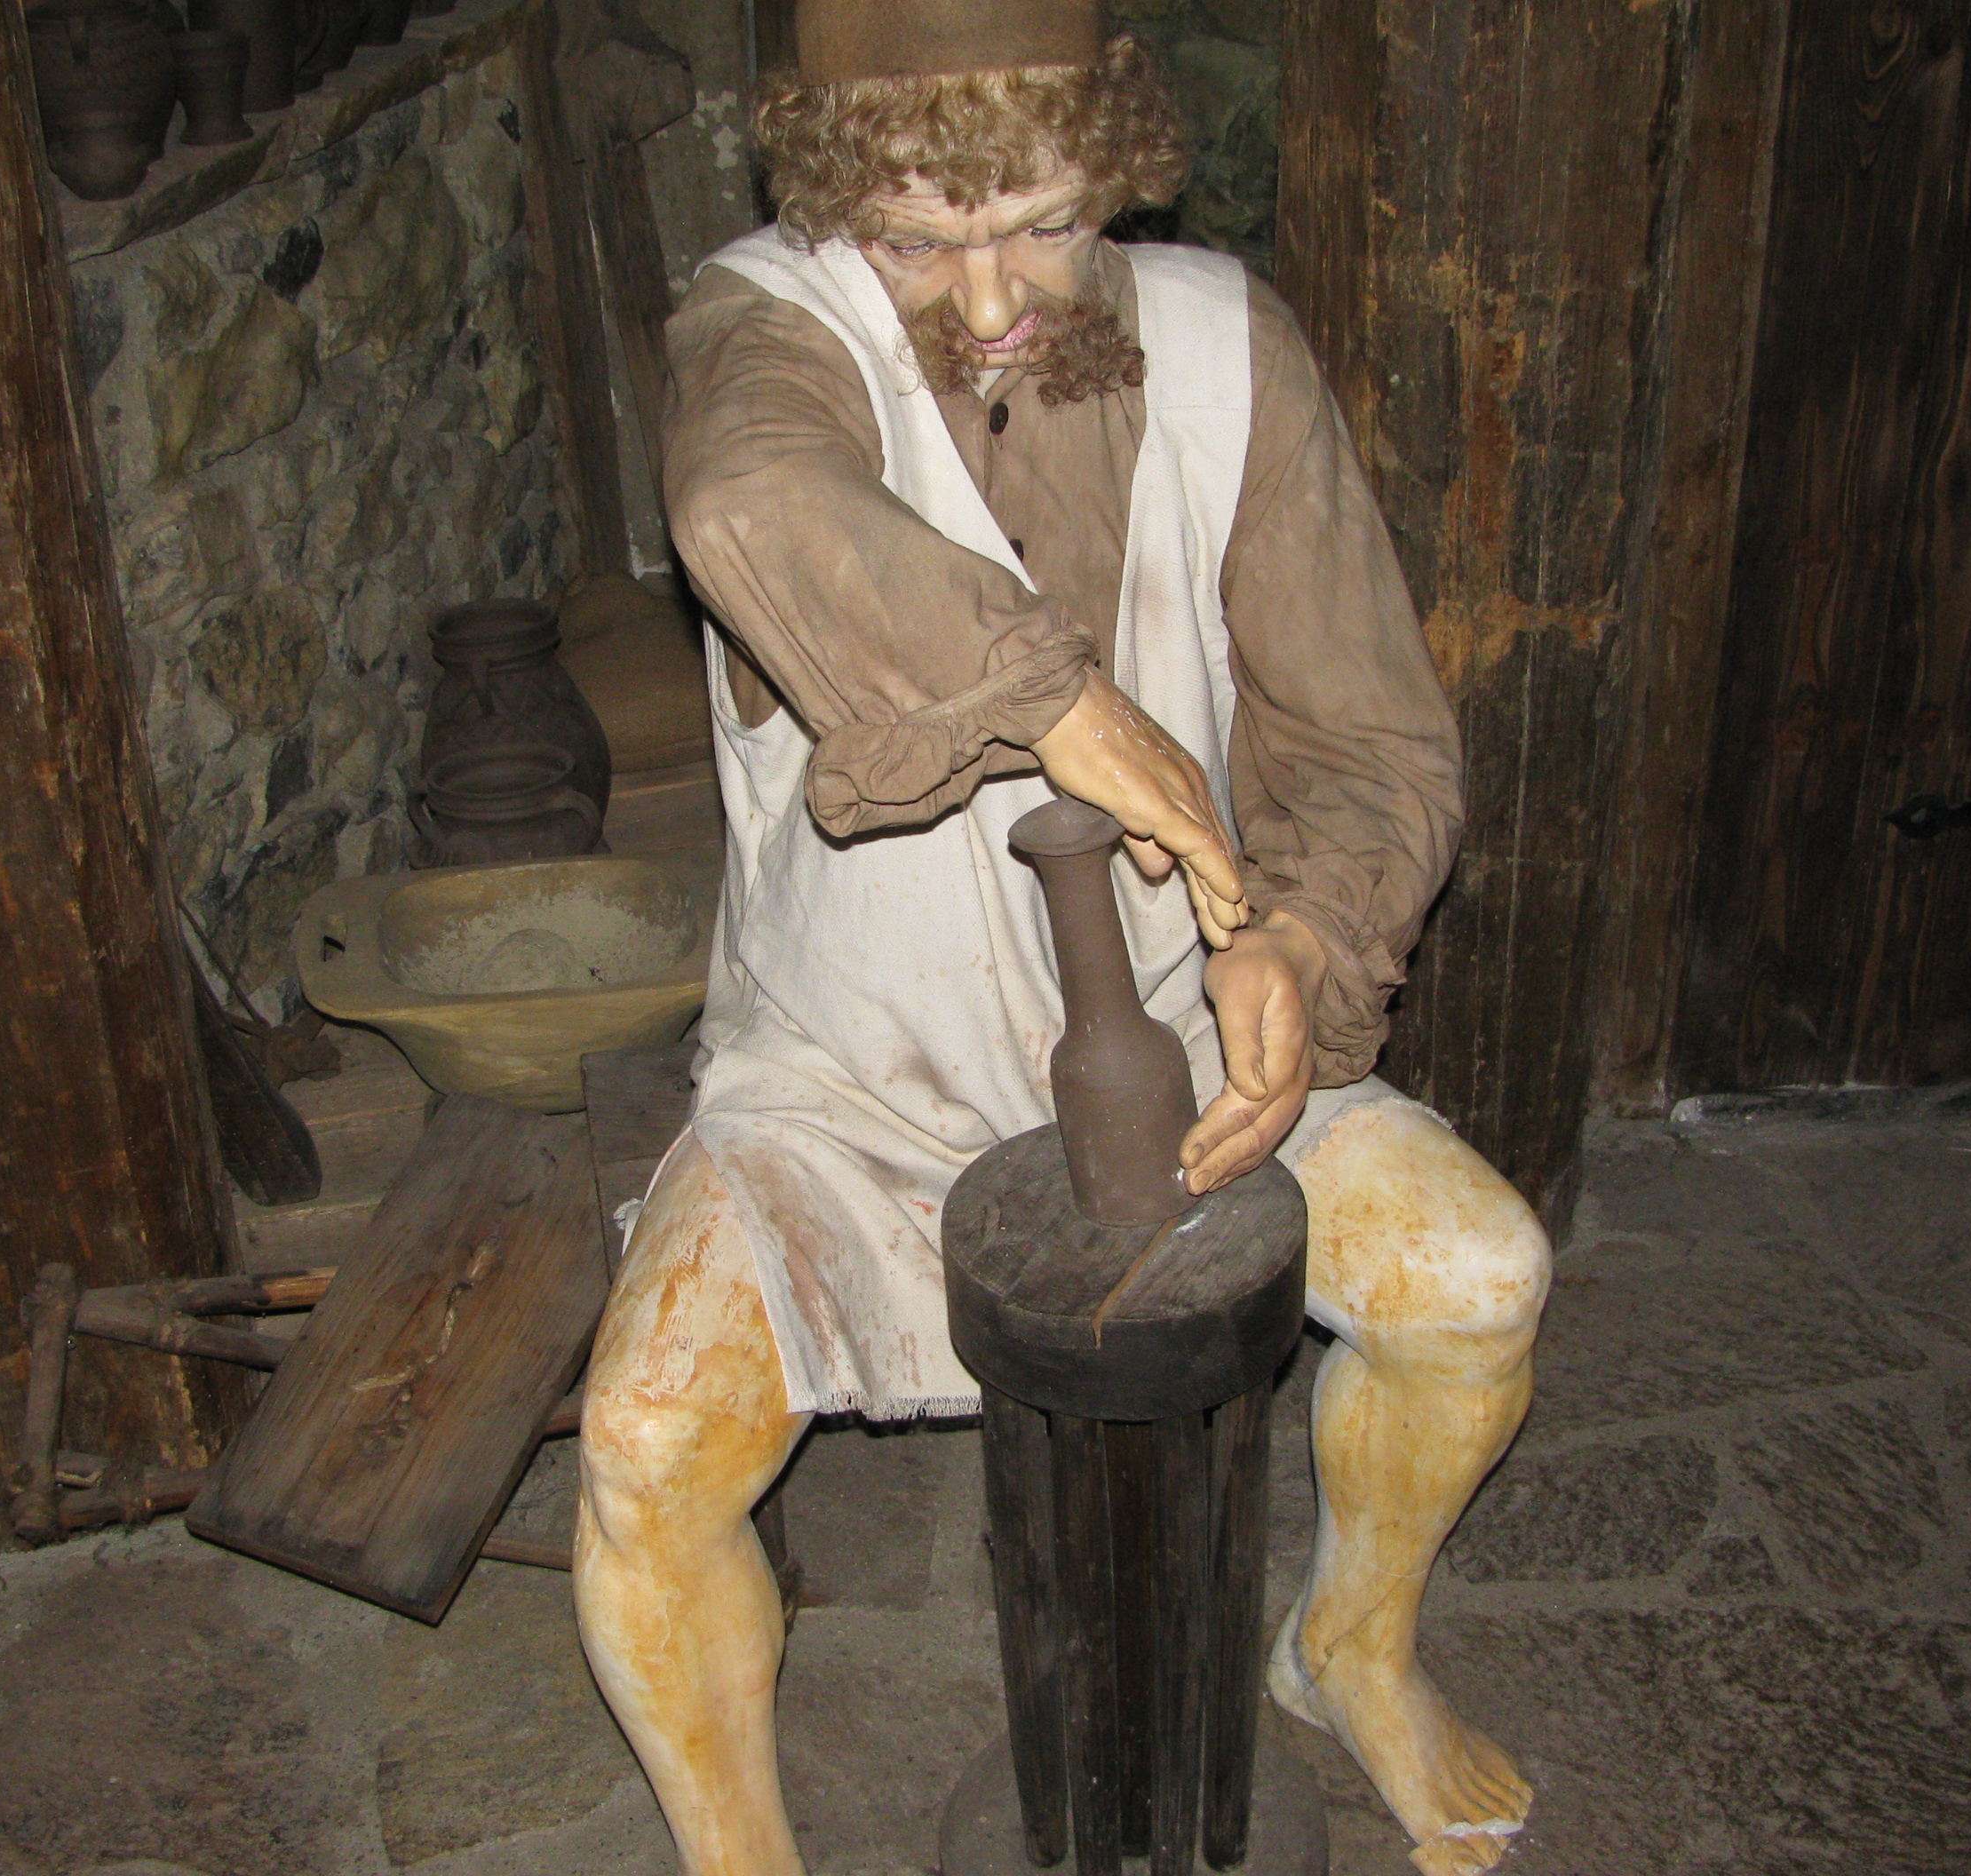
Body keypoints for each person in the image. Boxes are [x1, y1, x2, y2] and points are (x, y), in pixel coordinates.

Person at [572, 4, 1551, 1872]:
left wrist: (1298, 946)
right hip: (851, 1081)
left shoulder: (1226, 352)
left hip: (1177, 1050)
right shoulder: (768, 327)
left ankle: (1350, 1645)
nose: (989, 297)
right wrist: (1056, 700)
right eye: (915, 237)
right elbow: (746, 497)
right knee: (644, 1452)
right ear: (833, 199)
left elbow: (1369, 743)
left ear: (1116, 165)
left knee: (1478, 1283)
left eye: (1038, 219)